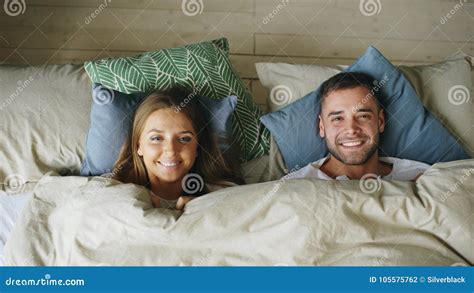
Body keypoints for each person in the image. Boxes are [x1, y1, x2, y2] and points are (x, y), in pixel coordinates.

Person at [113, 88, 242, 210]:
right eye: (157, 138)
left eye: (184, 139)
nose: (171, 150)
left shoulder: (225, 195)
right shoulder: (112, 194)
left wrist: (202, 212)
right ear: (138, 146)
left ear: (198, 146)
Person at [290, 72, 430, 181]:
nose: (351, 129)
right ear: (322, 127)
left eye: (363, 116)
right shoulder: (293, 188)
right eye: (338, 118)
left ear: (380, 122)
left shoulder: (424, 178)